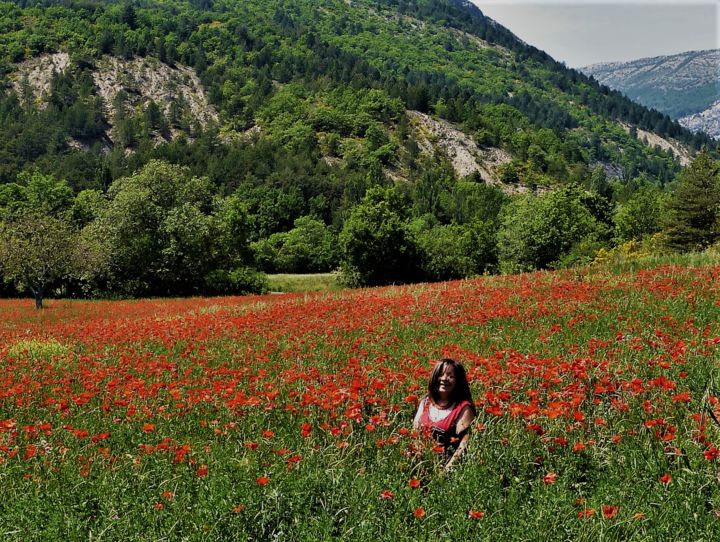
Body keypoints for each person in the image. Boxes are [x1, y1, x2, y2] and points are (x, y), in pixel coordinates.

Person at [413, 358, 476, 470]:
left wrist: (446, 472)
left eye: (450, 376)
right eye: (440, 374)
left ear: (458, 381)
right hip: (419, 467)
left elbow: (463, 445)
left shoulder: (463, 408)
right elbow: (415, 432)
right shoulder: (426, 401)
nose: (444, 379)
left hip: (445, 469)